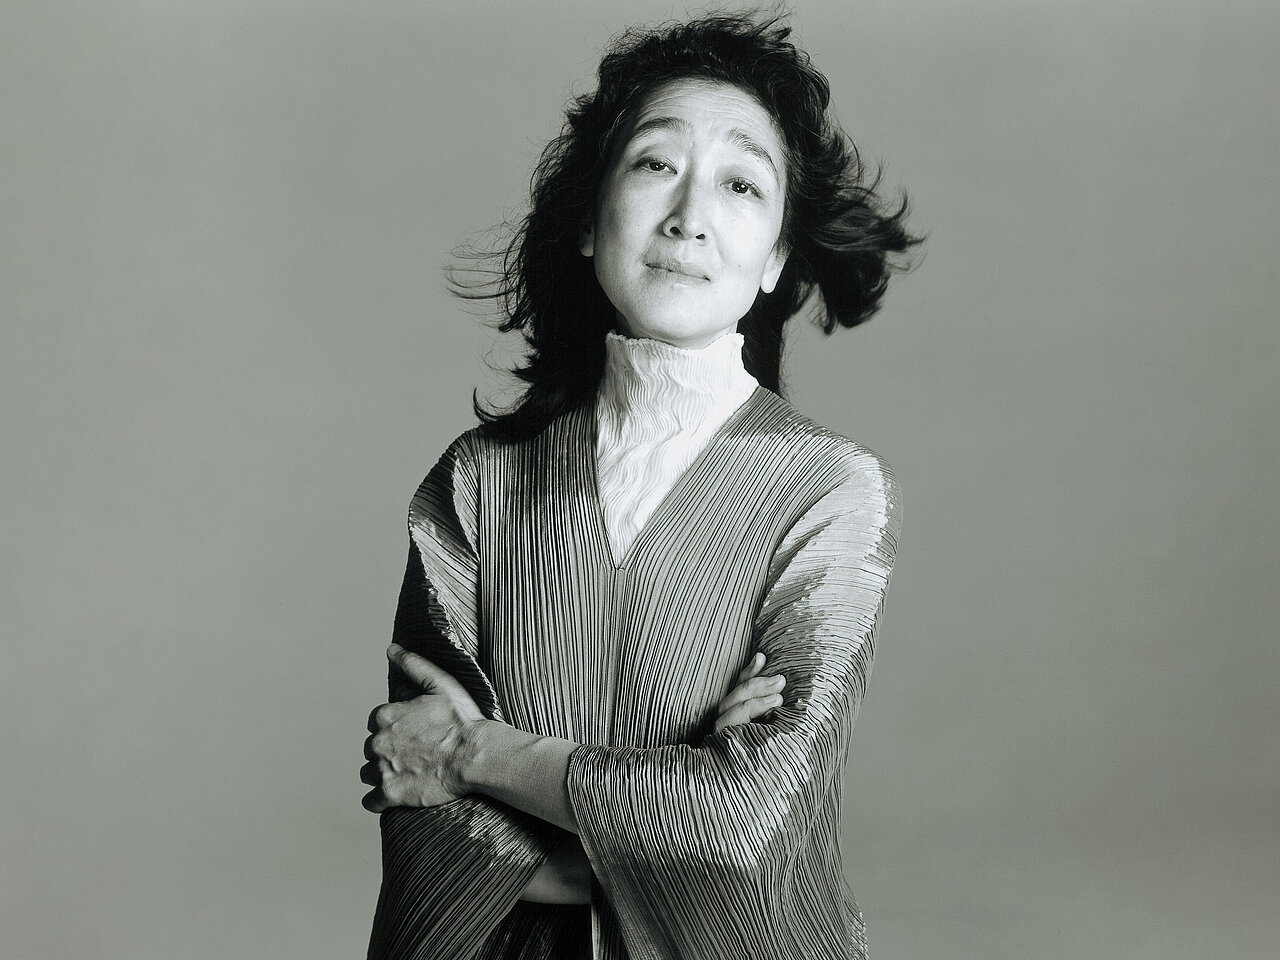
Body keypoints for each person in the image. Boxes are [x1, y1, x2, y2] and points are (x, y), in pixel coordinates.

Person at [359, 13, 919, 960]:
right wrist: (669, 821)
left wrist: (477, 754)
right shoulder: (476, 483)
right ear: (589, 219)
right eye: (656, 163)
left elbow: (746, 833)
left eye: (741, 184)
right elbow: (421, 819)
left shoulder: (830, 491)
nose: (689, 215)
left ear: (777, 257)